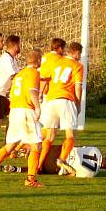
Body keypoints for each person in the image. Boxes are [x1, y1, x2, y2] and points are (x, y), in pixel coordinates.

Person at [0, 49, 43, 187]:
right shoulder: (33, 73)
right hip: (26, 110)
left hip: (14, 110)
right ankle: (30, 179)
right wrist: (37, 108)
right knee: (36, 145)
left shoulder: (20, 74)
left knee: (10, 146)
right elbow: (32, 91)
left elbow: (12, 94)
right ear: (38, 60)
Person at [38, 42, 84, 172]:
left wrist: (41, 94)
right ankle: (62, 160)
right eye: (79, 54)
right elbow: (78, 86)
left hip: (51, 100)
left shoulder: (56, 62)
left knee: (49, 137)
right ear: (76, 53)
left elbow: (45, 79)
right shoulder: (78, 65)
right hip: (66, 100)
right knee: (70, 135)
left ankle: (39, 164)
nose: (80, 57)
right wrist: (78, 104)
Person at [2, 144, 106, 178]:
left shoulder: (95, 149)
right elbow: (73, 173)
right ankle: (16, 169)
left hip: (59, 151)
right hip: (57, 165)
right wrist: (63, 164)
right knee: (39, 169)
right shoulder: (92, 173)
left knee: (40, 148)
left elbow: (77, 148)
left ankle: (19, 150)